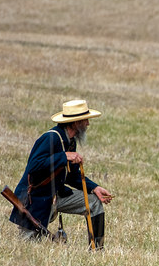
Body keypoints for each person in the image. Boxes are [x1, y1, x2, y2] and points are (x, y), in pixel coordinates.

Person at [9, 99, 113, 249]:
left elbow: (72, 176)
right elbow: (34, 166)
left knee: (94, 202)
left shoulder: (70, 141)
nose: (88, 124)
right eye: (85, 120)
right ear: (75, 122)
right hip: (36, 200)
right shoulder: (50, 138)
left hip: (56, 196)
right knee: (28, 247)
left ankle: (97, 249)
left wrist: (94, 188)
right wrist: (64, 156)